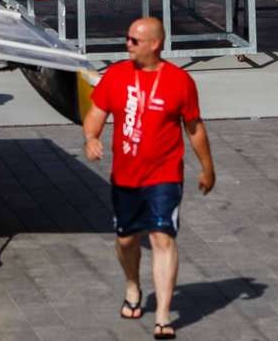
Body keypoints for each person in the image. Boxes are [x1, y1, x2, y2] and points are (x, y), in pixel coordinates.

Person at [82, 17, 216, 339]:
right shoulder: (115, 76)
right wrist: (91, 138)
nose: (126, 45)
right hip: (126, 176)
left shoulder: (179, 82)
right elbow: (95, 115)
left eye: (133, 40)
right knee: (127, 239)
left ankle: (163, 315)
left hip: (165, 174)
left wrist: (207, 167)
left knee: (161, 237)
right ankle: (133, 285)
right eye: (127, 39)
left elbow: (194, 127)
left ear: (154, 44)